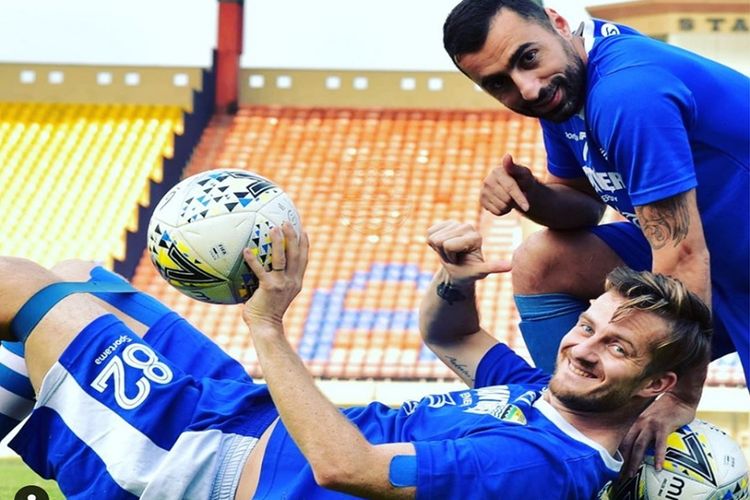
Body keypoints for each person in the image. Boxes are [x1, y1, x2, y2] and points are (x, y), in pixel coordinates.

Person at [0, 221, 711, 498]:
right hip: (245, 419)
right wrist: (455, 281)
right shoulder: (538, 395)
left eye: (615, 346)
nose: (581, 348)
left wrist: (268, 324)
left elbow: (346, 469)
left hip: (205, 467)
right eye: (587, 326)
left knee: (20, 286)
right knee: (81, 276)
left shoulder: (534, 468)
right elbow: (453, 338)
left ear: (658, 384)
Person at [442, 0, 749, 475]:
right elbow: (585, 202)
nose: (527, 88)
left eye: (527, 58)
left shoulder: (627, 93)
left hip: (706, 263)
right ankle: (577, 432)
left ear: (559, 23)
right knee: (543, 260)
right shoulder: (564, 86)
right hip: (721, 266)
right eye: (498, 83)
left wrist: (680, 397)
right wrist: (532, 196)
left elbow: (682, 255)